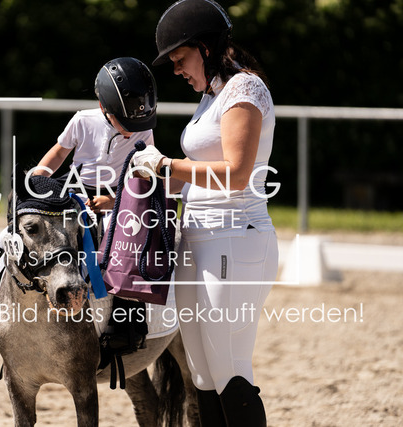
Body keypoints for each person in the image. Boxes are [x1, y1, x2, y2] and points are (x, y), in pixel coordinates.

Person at [132, 1, 279, 426]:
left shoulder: (244, 90)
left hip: (234, 237)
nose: (177, 70)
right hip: (196, 238)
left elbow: (236, 174)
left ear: (205, 47)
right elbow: (194, 177)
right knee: (202, 375)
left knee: (229, 368)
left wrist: (166, 165)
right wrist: (137, 186)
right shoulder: (211, 96)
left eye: (180, 59)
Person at [0, 56, 158, 343]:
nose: (133, 128)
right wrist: (36, 179)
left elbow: (143, 175)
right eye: (125, 121)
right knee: (7, 238)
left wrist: (113, 200)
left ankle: (129, 325)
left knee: (125, 244)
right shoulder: (83, 120)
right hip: (74, 193)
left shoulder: (144, 130)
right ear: (104, 107)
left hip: (118, 197)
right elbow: (59, 152)